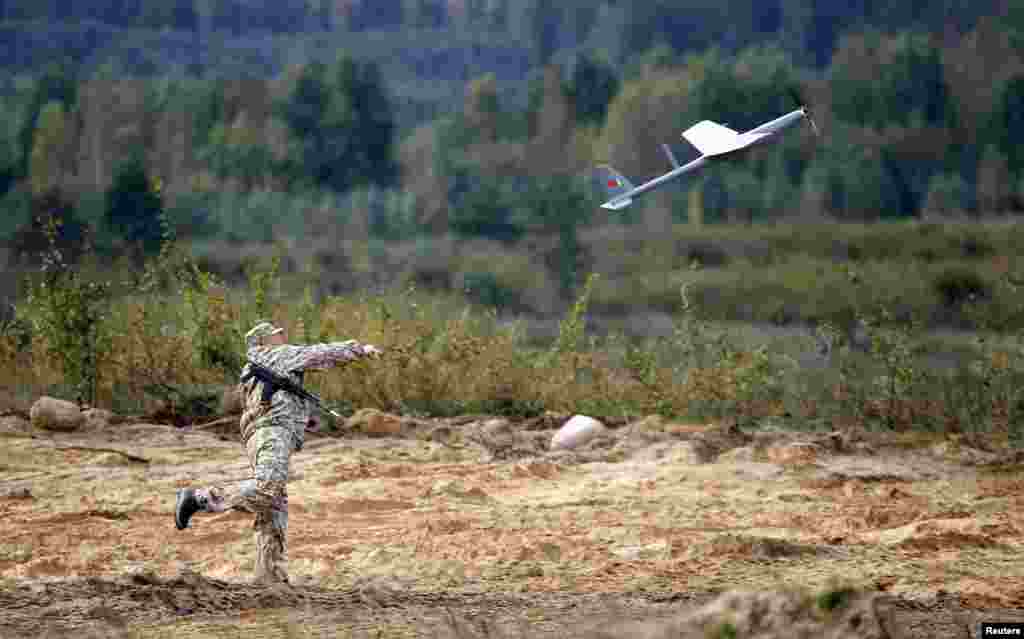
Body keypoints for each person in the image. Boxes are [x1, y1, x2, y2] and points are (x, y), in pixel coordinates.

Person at [174, 320, 382, 585]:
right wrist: (359, 349)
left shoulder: (257, 366)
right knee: (268, 488)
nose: (283, 335)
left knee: (273, 506)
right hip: (272, 432)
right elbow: (317, 354)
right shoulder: (274, 355)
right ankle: (198, 498)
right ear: (262, 342)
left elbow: (271, 400)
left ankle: (269, 578)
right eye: (276, 334)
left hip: (263, 434)